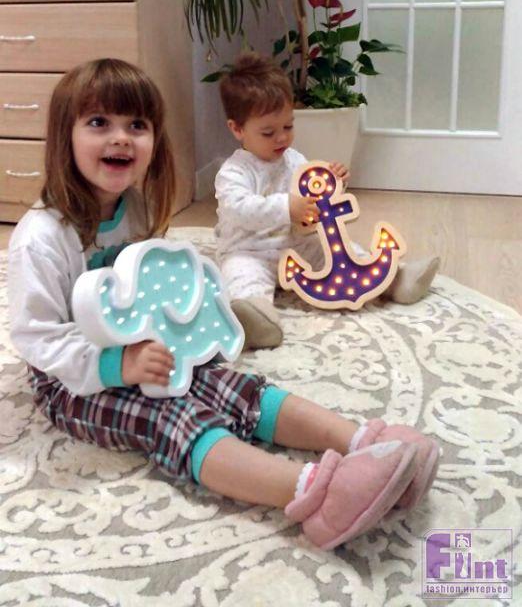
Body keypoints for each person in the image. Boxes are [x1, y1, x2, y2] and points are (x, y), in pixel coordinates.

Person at [7, 58, 439, 551]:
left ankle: (365, 441)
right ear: (64, 136)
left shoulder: (137, 208)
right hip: (71, 378)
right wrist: (116, 365)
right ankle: (314, 493)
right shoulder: (41, 238)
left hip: (144, 343)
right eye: (99, 122)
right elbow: (36, 337)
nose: (121, 138)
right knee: (175, 416)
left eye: (138, 125)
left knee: (231, 385)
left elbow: (151, 289)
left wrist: (186, 329)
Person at [215, 52, 440, 350]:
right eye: (268, 132)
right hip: (250, 249)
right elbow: (238, 209)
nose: (282, 138)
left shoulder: (294, 160)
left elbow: (315, 195)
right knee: (241, 277)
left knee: (341, 251)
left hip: (297, 244)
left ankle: (397, 278)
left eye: (288, 127)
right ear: (237, 129)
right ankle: (257, 319)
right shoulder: (233, 172)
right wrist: (287, 207)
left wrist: (334, 182)